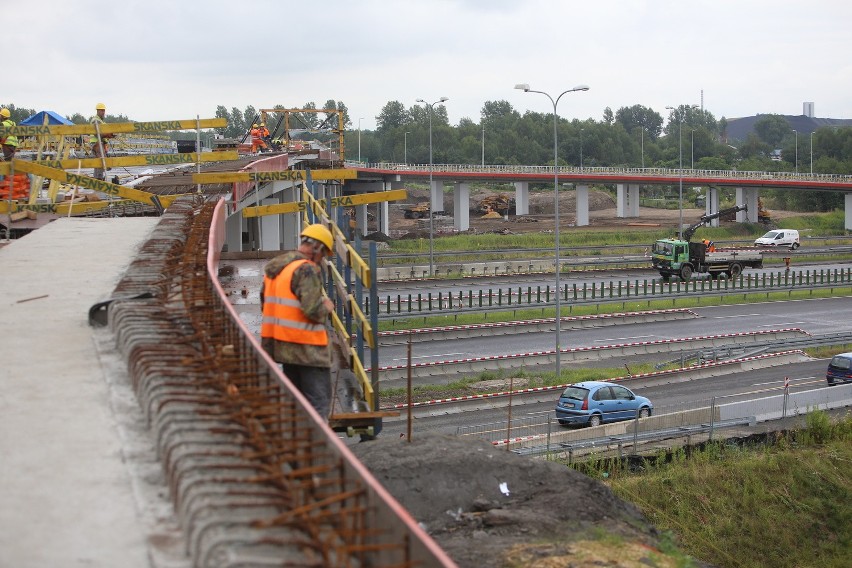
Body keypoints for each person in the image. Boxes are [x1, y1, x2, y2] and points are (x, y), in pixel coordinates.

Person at [260, 224, 336, 418]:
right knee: (318, 403)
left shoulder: (277, 268)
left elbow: (265, 303)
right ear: (317, 248)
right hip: (308, 349)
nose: (322, 260)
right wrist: (326, 306)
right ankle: (316, 445)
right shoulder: (307, 270)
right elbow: (312, 310)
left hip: (283, 346)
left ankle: (297, 443)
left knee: (295, 403)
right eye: (323, 254)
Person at [90, 102, 114, 180]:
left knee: (100, 161)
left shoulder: (101, 121)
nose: (103, 112)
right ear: (97, 111)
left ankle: (98, 178)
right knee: (100, 161)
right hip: (96, 144)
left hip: (101, 143)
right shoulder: (96, 120)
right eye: (101, 111)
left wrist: (108, 136)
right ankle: (98, 179)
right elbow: (97, 134)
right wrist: (106, 135)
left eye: (104, 110)